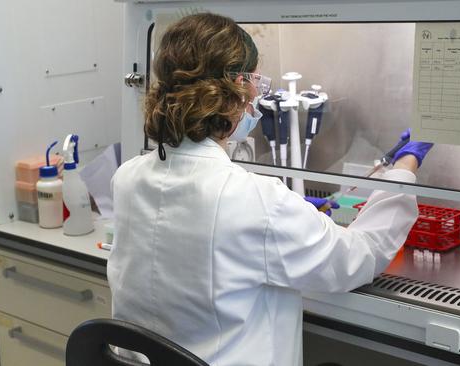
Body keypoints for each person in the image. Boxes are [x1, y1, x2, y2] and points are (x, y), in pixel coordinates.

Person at [108, 13, 433, 366]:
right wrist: (402, 172)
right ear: (235, 91)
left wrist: (293, 214)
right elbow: (357, 258)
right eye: (254, 83)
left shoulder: (127, 178)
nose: (255, 100)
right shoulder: (255, 201)